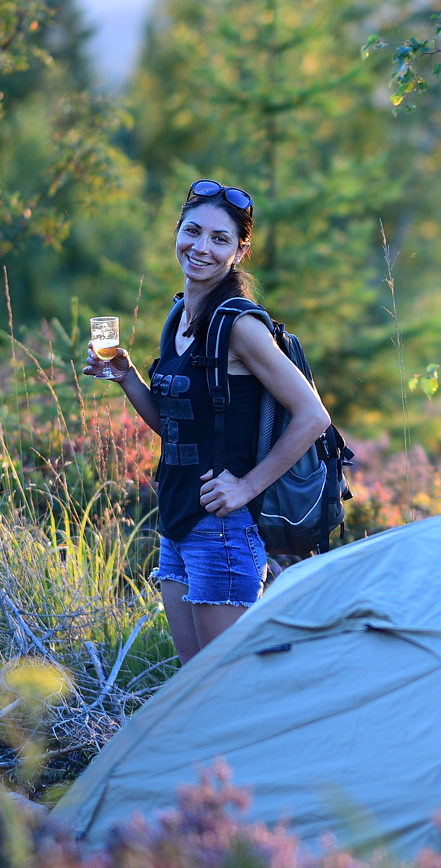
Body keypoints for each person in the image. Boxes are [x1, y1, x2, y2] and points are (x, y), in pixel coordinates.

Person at [83, 180, 331, 663]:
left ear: (239, 252)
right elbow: (179, 431)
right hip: (177, 522)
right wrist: (129, 377)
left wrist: (246, 487)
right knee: (199, 686)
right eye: (192, 231)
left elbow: (313, 415)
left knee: (227, 691)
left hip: (222, 528)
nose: (201, 247)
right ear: (177, 233)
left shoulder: (240, 325)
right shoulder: (180, 314)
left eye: (220, 239)